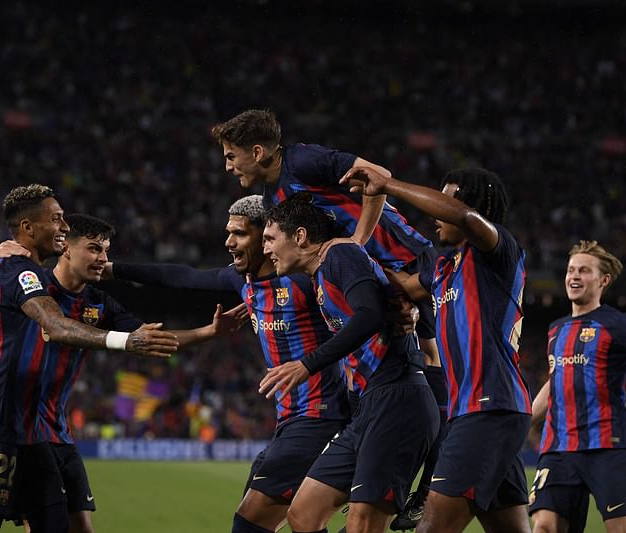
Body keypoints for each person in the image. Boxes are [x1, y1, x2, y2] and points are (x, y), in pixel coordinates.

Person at [213, 110, 447, 527]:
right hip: (377, 277)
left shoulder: (303, 161)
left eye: (232, 156)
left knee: (433, 358)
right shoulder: (274, 203)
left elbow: (377, 176)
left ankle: (429, 484)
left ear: (258, 151)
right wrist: (255, 297)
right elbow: (288, 251)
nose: (228, 166)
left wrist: (356, 243)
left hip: (409, 259)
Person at [0, 213, 244, 533]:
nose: (102, 259)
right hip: (15, 427)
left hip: (57, 431)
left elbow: (149, 340)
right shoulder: (33, 284)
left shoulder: (98, 303)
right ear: (65, 247)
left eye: (106, 251)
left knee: (77, 527)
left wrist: (209, 332)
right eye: (94, 249)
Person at [107, 195, 352, 533]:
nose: (229, 242)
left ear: (267, 237)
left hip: (320, 415)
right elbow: (179, 276)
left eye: (239, 233)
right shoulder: (242, 282)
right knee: (293, 519)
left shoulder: (305, 280)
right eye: (228, 232)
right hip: (289, 419)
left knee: (249, 523)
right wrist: (111, 269)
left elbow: (356, 315)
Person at [342, 166, 533, 533]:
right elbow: (403, 285)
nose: (434, 216)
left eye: (444, 201)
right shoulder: (446, 267)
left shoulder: (499, 251)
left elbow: (462, 215)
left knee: (431, 528)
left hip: (489, 407)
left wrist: (389, 185)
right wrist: (347, 251)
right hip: (474, 411)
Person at [259, 194, 439, 533]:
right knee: (303, 513)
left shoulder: (340, 255)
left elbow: (369, 315)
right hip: (369, 407)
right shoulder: (320, 276)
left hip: (398, 400)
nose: (266, 248)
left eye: (270, 239)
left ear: (299, 236)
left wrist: (306, 365)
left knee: (363, 523)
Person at [529, 240, 626, 533]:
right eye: (571, 270)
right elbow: (554, 384)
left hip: (606, 445)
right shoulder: (555, 329)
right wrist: (522, 423)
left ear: (604, 280)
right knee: (544, 527)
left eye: (584, 271)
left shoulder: (617, 324)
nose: (574, 276)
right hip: (558, 447)